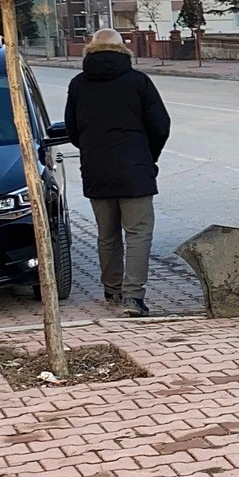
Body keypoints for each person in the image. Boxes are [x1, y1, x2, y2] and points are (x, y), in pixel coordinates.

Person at [65, 29, 171, 318]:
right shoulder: (139, 82)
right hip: (135, 169)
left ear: (91, 49)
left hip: (96, 170)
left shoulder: (78, 84)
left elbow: (72, 131)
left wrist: (93, 147)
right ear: (122, 50)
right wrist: (148, 156)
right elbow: (160, 125)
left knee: (107, 235)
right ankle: (133, 298)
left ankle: (112, 291)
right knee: (138, 234)